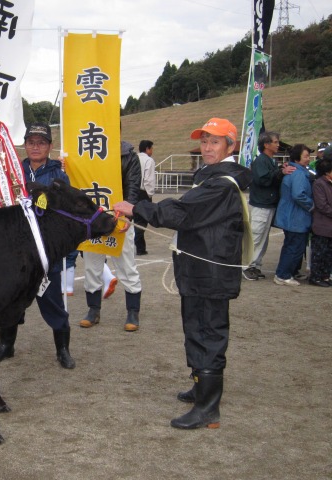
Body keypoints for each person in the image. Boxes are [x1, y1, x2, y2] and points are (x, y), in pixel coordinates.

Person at [113, 117, 252, 429]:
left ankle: (208, 409)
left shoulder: (221, 183)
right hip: (203, 266)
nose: (207, 147)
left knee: (208, 332)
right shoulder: (214, 178)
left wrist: (135, 208)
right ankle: (201, 386)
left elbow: (182, 212)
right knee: (197, 328)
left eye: (214, 141)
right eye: (204, 141)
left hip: (210, 269)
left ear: (230, 145)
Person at [0, 123, 76, 369]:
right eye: (31, 142)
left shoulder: (58, 175)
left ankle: (63, 349)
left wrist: (67, 254)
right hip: (16, 250)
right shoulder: (13, 170)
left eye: (41, 142)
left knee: (52, 300)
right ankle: (7, 345)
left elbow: (66, 215)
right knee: (11, 299)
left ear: (50, 146)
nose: (36, 147)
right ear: (25, 144)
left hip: (45, 251)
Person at [79, 139, 143, 332]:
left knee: (126, 265)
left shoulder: (128, 155)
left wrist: (127, 213)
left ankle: (133, 311)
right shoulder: (83, 149)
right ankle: (93, 310)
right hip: (93, 217)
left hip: (119, 216)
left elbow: (133, 186)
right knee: (91, 265)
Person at [242, 132, 295, 281]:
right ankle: (247, 266)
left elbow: (270, 176)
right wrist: (280, 172)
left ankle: (256, 265)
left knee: (263, 238)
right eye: (275, 142)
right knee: (256, 236)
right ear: (266, 144)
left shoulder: (270, 161)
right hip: (260, 204)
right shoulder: (261, 161)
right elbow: (262, 180)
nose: (278, 144)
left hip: (268, 204)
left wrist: (280, 170)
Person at [273, 144, 314, 287]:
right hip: (295, 217)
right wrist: (312, 205)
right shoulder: (298, 173)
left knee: (292, 245)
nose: (308, 159)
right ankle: (283, 275)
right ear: (297, 159)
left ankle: (287, 272)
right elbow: (298, 195)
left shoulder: (296, 171)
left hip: (291, 215)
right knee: (294, 246)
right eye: (306, 156)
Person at [309, 154, 332, 287]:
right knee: (319, 253)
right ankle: (316, 277)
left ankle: (325, 276)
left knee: (328, 254)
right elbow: (322, 205)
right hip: (321, 225)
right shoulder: (319, 184)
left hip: (329, 227)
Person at [134, 140, 156, 255]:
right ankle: (139, 247)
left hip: (132, 191)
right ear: (147, 149)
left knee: (133, 218)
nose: (152, 151)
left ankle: (140, 247)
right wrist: (149, 194)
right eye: (151, 148)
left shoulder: (134, 158)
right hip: (143, 192)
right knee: (141, 221)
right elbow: (148, 178)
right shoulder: (149, 160)